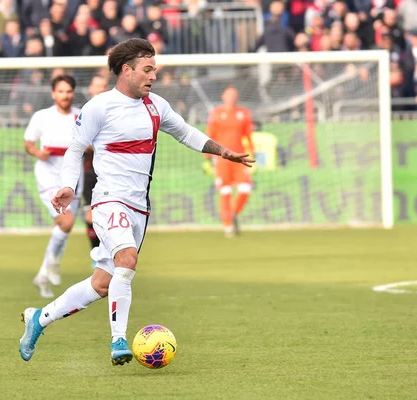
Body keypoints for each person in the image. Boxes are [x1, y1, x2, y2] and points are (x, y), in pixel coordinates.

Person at [19, 38, 254, 365]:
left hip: (139, 207)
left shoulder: (156, 105)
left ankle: (39, 319)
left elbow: (186, 133)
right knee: (127, 260)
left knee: (102, 284)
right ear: (126, 70)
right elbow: (75, 150)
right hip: (107, 199)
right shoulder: (99, 107)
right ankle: (118, 342)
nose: (153, 76)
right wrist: (69, 187)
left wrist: (223, 151)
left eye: (154, 70)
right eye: (147, 69)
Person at [23, 74, 82, 299]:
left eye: (68, 91)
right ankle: (54, 262)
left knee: (64, 230)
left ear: (73, 93)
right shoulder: (42, 116)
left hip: (73, 176)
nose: (64, 95)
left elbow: (92, 146)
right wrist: (39, 152)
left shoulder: (81, 116)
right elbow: (28, 142)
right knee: (65, 222)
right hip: (48, 174)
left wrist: (84, 150)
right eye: (60, 91)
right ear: (53, 93)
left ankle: (43, 274)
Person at [204, 87, 254, 238]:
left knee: (245, 187)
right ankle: (228, 226)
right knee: (225, 191)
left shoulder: (243, 113)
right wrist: (207, 158)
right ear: (223, 97)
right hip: (222, 158)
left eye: (234, 95)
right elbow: (210, 134)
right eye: (229, 95)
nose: (232, 98)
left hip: (239, 157)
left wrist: (253, 151)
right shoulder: (217, 113)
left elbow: (248, 134)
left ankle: (233, 214)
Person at [81, 74, 109, 266]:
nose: (99, 89)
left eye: (103, 86)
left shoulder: (112, 111)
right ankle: (96, 254)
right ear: (90, 88)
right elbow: (76, 142)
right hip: (90, 170)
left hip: (110, 170)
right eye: (96, 85)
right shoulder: (83, 112)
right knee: (90, 213)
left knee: (110, 212)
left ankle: (109, 250)